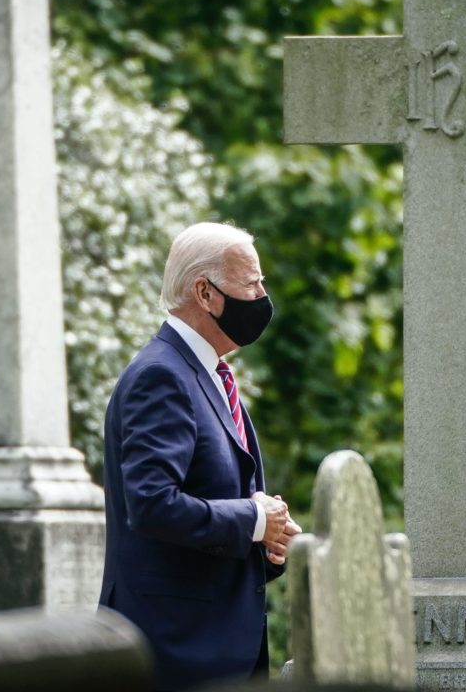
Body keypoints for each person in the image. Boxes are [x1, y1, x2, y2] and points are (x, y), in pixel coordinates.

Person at [99, 222, 300, 691]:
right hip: (176, 652)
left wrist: (268, 544)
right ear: (205, 293)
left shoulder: (210, 373)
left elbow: (213, 504)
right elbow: (151, 505)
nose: (262, 296)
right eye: (251, 284)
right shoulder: (161, 376)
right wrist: (252, 518)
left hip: (219, 648)